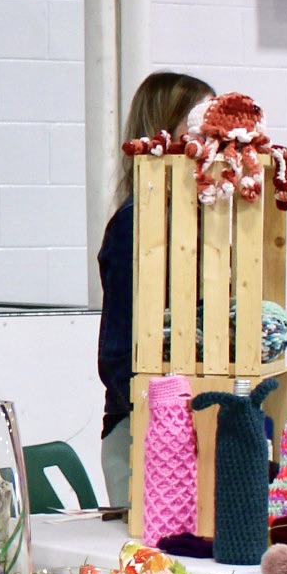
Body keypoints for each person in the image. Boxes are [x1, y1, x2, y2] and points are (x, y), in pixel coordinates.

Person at [97, 70, 215, 506]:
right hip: (144, 431)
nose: (210, 140)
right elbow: (119, 351)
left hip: (194, 423)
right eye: (198, 126)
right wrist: (163, 419)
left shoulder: (207, 223)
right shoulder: (136, 223)